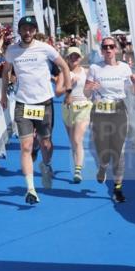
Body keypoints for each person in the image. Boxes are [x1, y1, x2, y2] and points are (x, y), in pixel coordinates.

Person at [0, 16, 70, 205]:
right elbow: (5, 71)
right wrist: (3, 95)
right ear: (19, 31)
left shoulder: (45, 48)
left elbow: (64, 66)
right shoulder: (12, 50)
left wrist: (68, 91)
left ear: (35, 31)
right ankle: (31, 189)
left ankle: (46, 166)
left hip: (43, 103)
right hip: (23, 103)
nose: (28, 32)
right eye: (24, 29)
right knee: (26, 147)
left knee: (45, 143)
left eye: (31, 29)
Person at [85, 37, 135, 203]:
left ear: (116, 49)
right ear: (101, 50)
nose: (108, 50)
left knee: (119, 151)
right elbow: (86, 93)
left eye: (111, 47)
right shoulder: (95, 68)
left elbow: (134, 92)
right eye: (105, 47)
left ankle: (118, 188)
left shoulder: (124, 68)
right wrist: (90, 88)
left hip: (118, 110)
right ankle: (102, 167)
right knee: (103, 151)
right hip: (100, 111)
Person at [60, 47, 91, 184]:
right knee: (73, 141)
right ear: (67, 58)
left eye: (77, 56)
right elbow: (57, 92)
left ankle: (78, 170)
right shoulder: (64, 73)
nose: (74, 58)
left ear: (81, 58)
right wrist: (69, 87)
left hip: (83, 106)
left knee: (78, 139)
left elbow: (94, 88)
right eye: (71, 56)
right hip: (67, 108)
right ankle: (76, 166)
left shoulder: (87, 72)